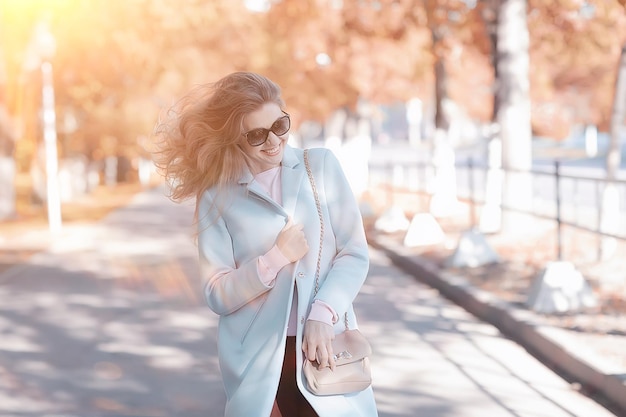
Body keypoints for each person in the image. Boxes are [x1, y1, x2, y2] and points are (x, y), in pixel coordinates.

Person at [153, 71, 378, 417]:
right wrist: (273, 260)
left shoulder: (320, 167)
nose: (273, 141)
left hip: (323, 345)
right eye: (256, 135)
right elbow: (216, 292)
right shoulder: (217, 197)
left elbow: (354, 253)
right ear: (235, 138)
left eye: (280, 126)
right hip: (259, 362)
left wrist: (323, 313)